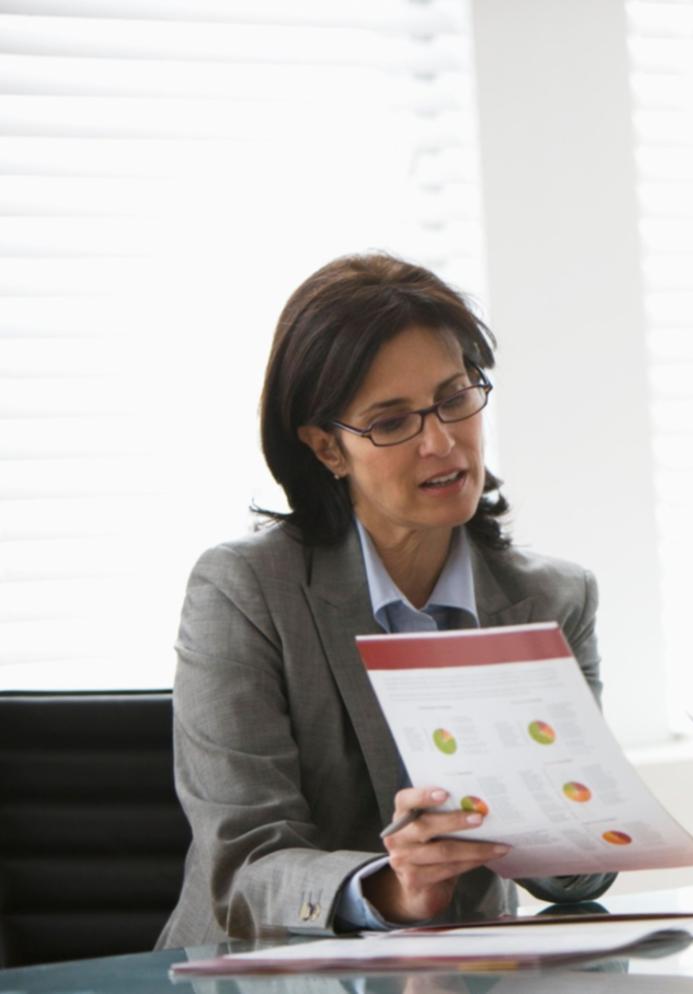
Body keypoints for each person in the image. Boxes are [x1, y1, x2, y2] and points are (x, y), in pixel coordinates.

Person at [159, 253, 613, 946]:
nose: (442, 441)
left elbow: (580, 870)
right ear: (327, 448)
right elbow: (243, 864)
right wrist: (389, 888)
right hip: (262, 976)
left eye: (455, 398)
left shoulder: (553, 597)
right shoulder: (245, 591)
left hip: (463, 975)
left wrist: (582, 825)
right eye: (393, 422)